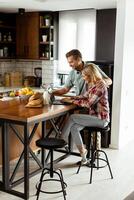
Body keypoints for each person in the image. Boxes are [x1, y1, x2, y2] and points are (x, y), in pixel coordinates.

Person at [61, 63, 110, 164]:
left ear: (91, 75)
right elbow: (84, 96)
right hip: (94, 117)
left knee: (72, 117)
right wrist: (71, 98)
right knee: (74, 128)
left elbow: (88, 103)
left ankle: (63, 139)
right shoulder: (93, 85)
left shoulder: (100, 86)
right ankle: (84, 157)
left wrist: (71, 102)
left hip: (101, 119)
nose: (83, 78)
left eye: (84, 76)